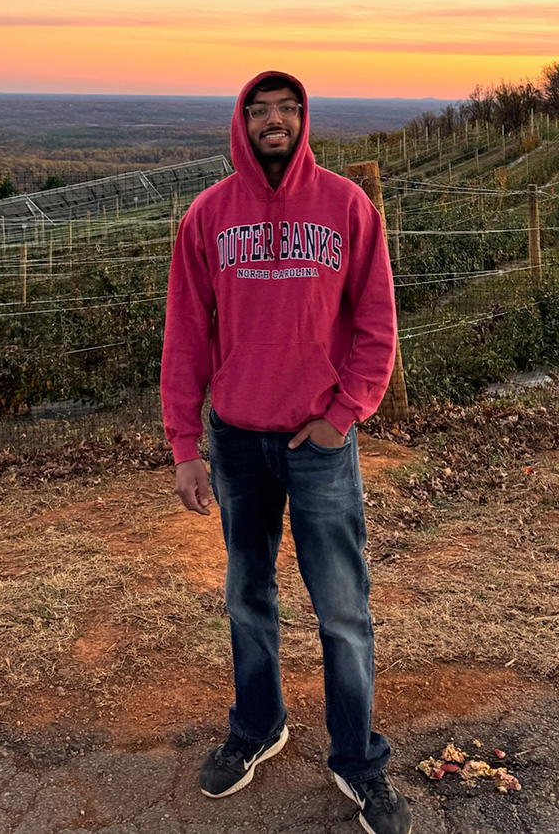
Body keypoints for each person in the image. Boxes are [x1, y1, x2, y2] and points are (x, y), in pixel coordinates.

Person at [161, 71, 412, 834]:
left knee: (342, 608)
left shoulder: (345, 206)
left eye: (287, 110)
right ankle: (258, 724)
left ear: (305, 121)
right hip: (236, 442)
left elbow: (377, 324)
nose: (274, 121)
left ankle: (358, 759)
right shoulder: (208, 215)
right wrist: (185, 443)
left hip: (319, 445)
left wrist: (345, 414)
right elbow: (185, 336)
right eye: (260, 111)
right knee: (247, 596)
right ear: (242, 124)